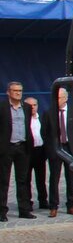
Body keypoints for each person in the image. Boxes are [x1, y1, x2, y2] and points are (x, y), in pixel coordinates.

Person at [0, 82, 36, 220]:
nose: (18, 93)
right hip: (7, 148)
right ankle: (2, 212)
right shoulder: (2, 107)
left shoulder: (26, 107)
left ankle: (24, 210)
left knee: (23, 180)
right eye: (15, 91)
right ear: (8, 92)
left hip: (23, 147)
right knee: (4, 181)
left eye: (20, 91)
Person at [43, 87, 73, 217]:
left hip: (70, 148)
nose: (56, 100)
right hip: (56, 148)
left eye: (58, 97)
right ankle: (53, 206)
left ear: (65, 98)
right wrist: (51, 149)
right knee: (54, 178)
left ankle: (71, 205)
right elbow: (44, 133)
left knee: (70, 178)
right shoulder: (49, 113)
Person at [24, 97, 49, 210]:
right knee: (25, 179)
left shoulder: (42, 117)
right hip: (27, 152)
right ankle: (27, 202)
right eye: (30, 105)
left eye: (35, 105)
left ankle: (43, 201)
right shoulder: (23, 119)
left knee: (41, 179)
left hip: (40, 151)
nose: (33, 107)